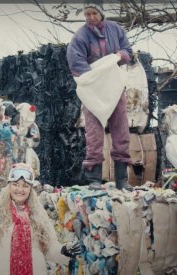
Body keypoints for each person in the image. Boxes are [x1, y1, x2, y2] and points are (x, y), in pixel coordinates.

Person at [0, 163, 80, 274]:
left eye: (25, 186)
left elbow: (50, 247)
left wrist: (64, 251)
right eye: (15, 184)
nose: (20, 190)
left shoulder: (39, 213)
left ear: (30, 189)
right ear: (9, 185)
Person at [66, 3, 133, 190]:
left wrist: (120, 55)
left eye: (94, 13)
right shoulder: (80, 36)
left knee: (120, 129)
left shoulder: (115, 29)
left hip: (114, 87)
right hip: (94, 90)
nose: (90, 17)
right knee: (94, 133)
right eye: (87, 13)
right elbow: (75, 59)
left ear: (101, 13)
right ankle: (94, 178)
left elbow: (127, 49)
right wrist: (95, 77)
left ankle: (122, 179)